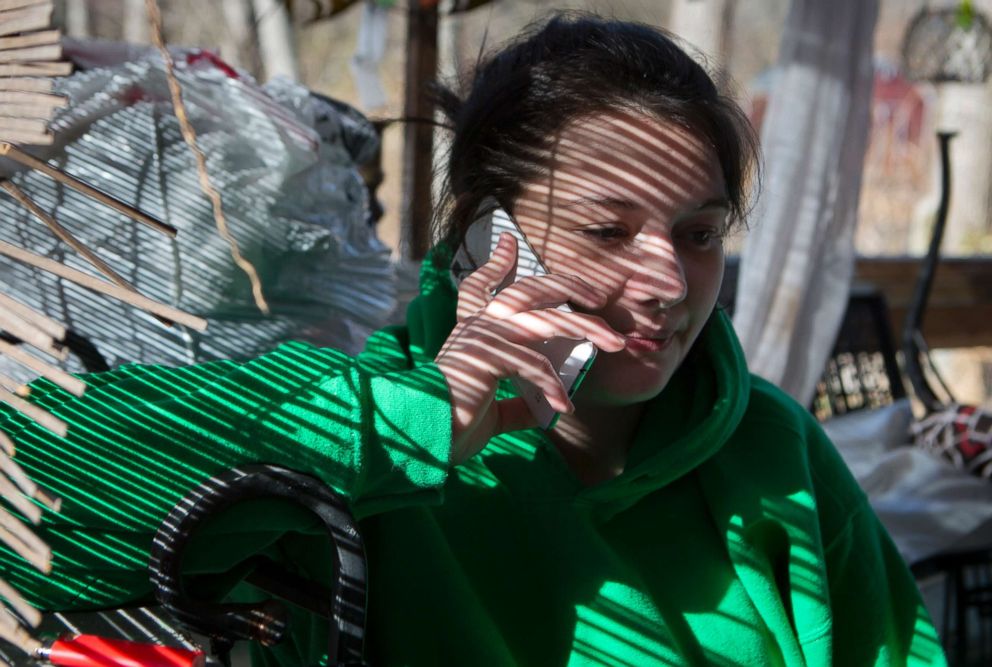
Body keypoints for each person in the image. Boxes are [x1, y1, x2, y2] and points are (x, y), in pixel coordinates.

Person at [1, 13, 945, 667]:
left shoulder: (771, 447)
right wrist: (416, 424)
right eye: (607, 231)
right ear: (489, 239)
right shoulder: (371, 451)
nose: (666, 285)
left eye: (698, 234)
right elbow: (35, 495)